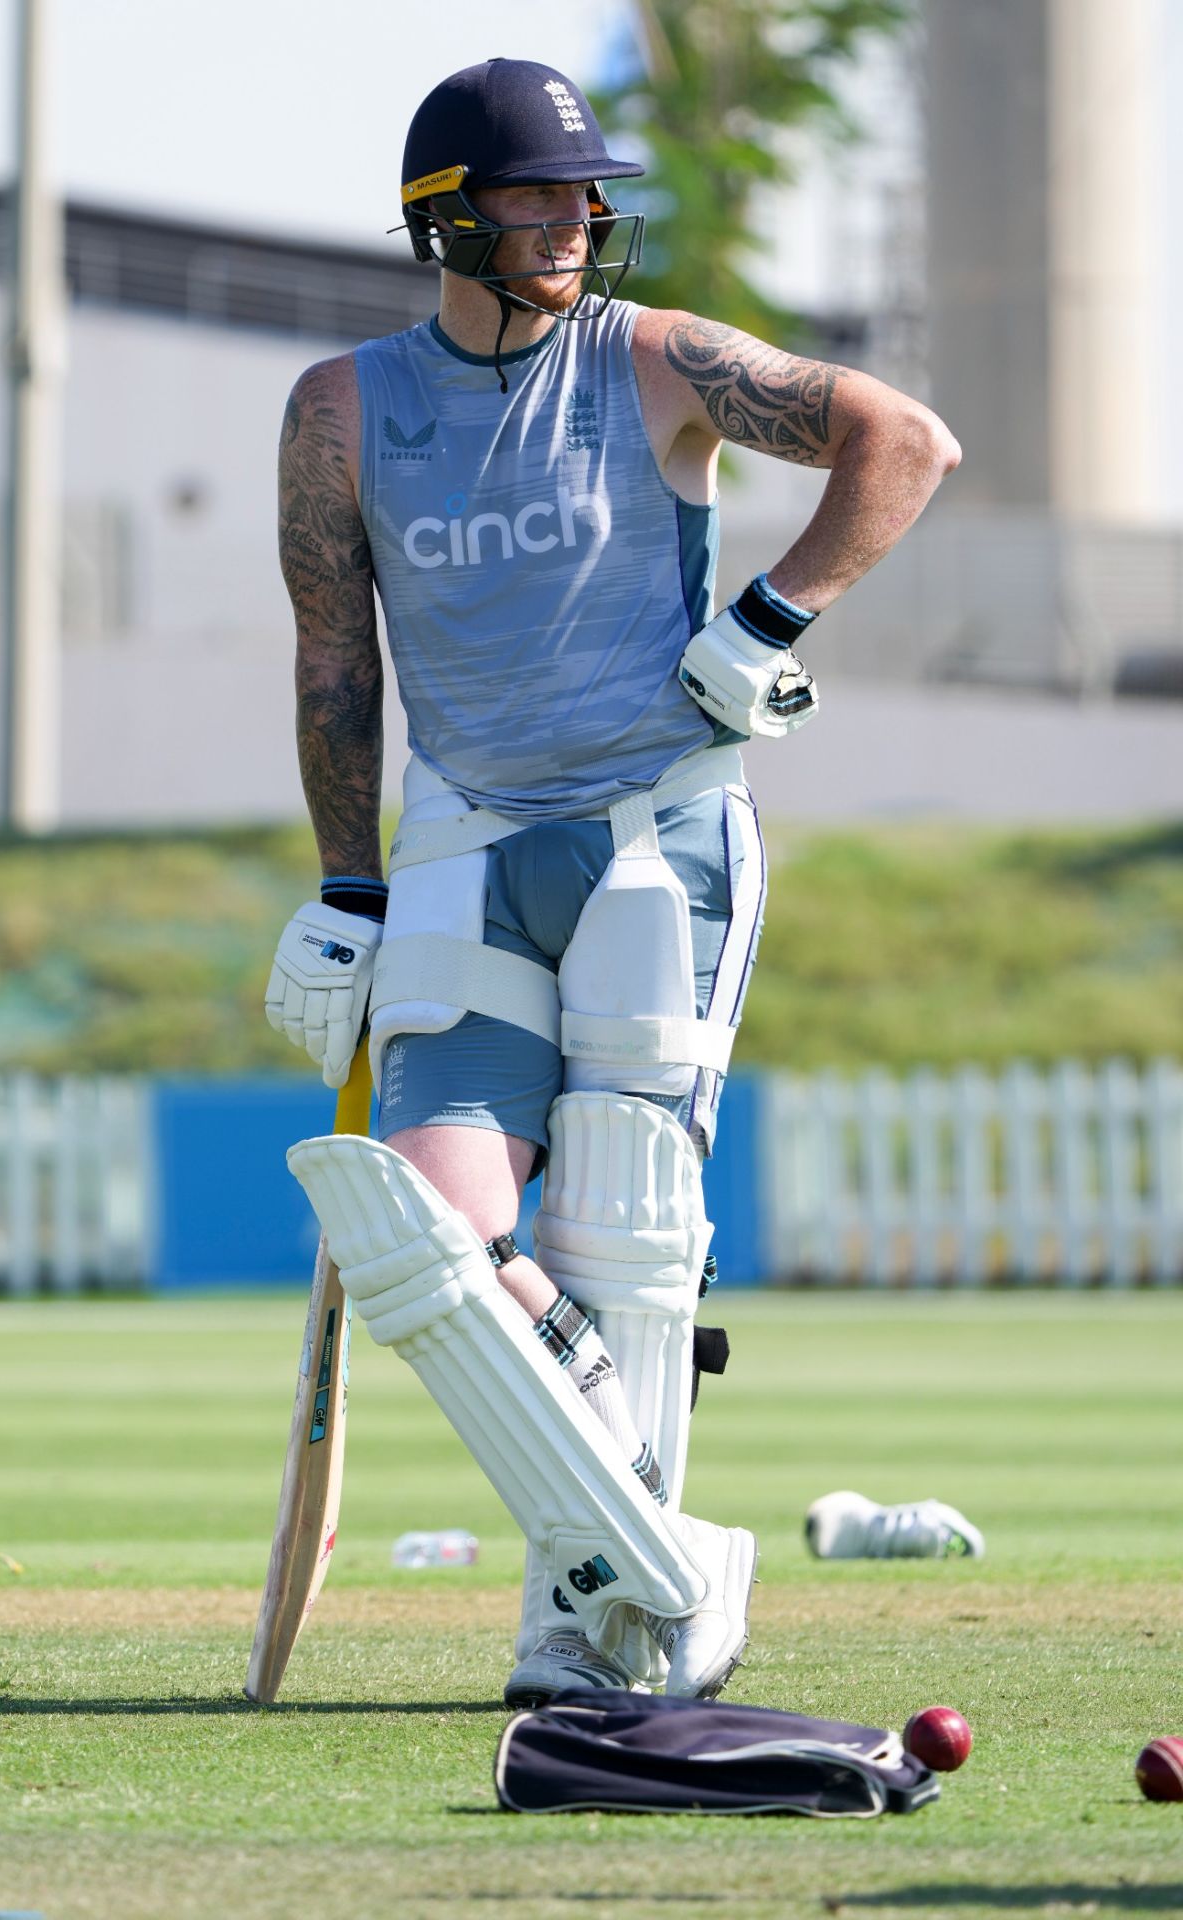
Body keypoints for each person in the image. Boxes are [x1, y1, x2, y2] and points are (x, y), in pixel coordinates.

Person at [266, 57, 960, 1708]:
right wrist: (347, 889)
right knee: (433, 1235)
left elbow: (903, 440)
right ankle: (662, 1561)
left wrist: (769, 619)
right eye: (539, 193)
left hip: (663, 835)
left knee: (629, 1227)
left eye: (588, 192)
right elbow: (335, 658)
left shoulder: (653, 359)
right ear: (447, 216)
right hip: (463, 845)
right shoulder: (341, 410)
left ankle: (582, 1629)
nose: (578, 217)